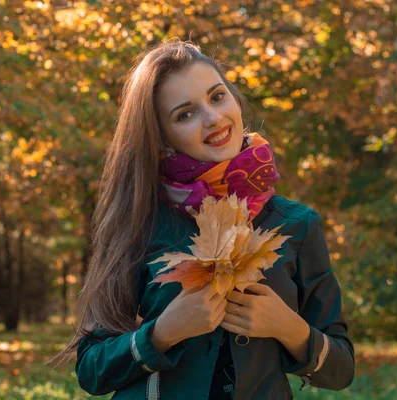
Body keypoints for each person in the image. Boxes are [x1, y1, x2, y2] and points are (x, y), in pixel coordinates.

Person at [51, 39, 355, 399]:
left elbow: (341, 369)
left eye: (217, 96)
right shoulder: (140, 223)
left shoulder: (297, 224)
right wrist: (161, 333)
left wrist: (290, 328)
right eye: (185, 114)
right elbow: (91, 369)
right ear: (160, 135)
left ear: (235, 99)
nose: (213, 118)